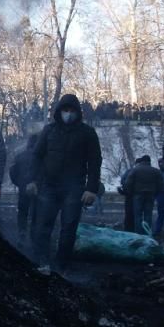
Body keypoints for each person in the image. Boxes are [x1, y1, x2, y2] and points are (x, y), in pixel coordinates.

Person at [28, 93, 102, 272]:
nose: (68, 114)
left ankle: (62, 265)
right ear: (59, 111)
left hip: (74, 188)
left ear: (78, 112)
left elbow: (94, 161)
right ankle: (41, 261)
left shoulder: (87, 133)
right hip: (49, 185)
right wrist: (32, 180)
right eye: (65, 110)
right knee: (43, 225)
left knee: (68, 227)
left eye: (71, 110)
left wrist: (91, 189)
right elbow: (37, 156)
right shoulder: (49, 130)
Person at [9, 134, 38, 247]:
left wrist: (20, 183)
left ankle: (22, 233)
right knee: (36, 213)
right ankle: (34, 237)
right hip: (38, 189)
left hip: (23, 189)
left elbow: (12, 172)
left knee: (23, 212)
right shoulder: (43, 156)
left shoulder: (20, 156)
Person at [123, 155, 163, 235]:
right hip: (150, 195)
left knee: (138, 215)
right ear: (149, 161)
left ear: (141, 161)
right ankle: (147, 233)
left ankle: (138, 234)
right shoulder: (156, 171)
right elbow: (161, 184)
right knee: (148, 214)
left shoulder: (135, 170)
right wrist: (156, 193)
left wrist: (131, 192)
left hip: (138, 194)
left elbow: (128, 183)